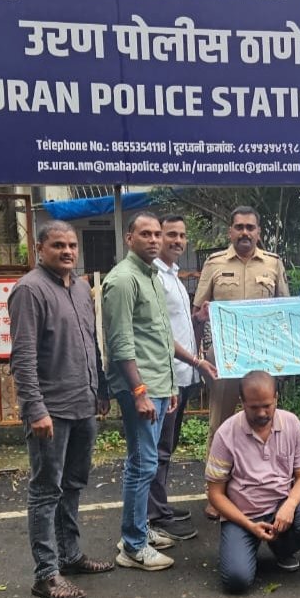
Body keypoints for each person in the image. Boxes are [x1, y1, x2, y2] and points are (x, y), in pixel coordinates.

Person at [103, 212, 215, 571]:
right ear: (129, 238)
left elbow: (162, 337)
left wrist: (192, 366)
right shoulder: (123, 280)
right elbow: (121, 342)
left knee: (145, 462)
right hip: (142, 386)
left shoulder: (151, 275)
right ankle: (133, 545)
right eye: (146, 234)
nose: (154, 239)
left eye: (156, 234)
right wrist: (139, 391)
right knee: (142, 464)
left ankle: (138, 529)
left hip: (159, 382)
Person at [8, 221, 113, 598]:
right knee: (45, 491)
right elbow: (23, 358)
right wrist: (35, 409)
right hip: (50, 410)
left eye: (71, 245)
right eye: (58, 245)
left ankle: (69, 555)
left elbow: (91, 342)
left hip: (83, 403)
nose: (67, 251)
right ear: (40, 249)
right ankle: (46, 574)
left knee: (73, 484)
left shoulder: (81, 288)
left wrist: (101, 387)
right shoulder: (29, 290)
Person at [193, 205, 289, 519]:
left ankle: (265, 488)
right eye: (239, 227)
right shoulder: (214, 263)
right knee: (220, 424)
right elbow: (197, 312)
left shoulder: (273, 263)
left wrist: (284, 362)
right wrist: (199, 353)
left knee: (266, 423)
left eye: (250, 227)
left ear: (258, 232)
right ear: (230, 232)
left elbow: (285, 311)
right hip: (225, 360)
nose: (244, 232)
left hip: (263, 362)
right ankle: (215, 494)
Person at [205, 370, 300, 593]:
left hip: (280, 508)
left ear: (276, 399)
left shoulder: (291, 423)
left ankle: (281, 547)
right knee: (236, 581)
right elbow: (215, 493)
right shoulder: (226, 433)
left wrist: (290, 505)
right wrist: (248, 524)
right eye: (253, 407)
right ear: (242, 401)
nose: (262, 413)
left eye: (267, 405)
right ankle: (246, 546)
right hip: (242, 514)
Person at [148, 214, 216, 541]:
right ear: (157, 237)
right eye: (170, 234)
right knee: (158, 449)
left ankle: (159, 505)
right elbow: (160, 333)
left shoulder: (172, 274)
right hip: (166, 377)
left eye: (181, 235)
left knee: (168, 445)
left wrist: (197, 318)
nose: (177, 240)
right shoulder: (154, 277)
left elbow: (177, 323)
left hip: (182, 376)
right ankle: (154, 516)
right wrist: (197, 361)